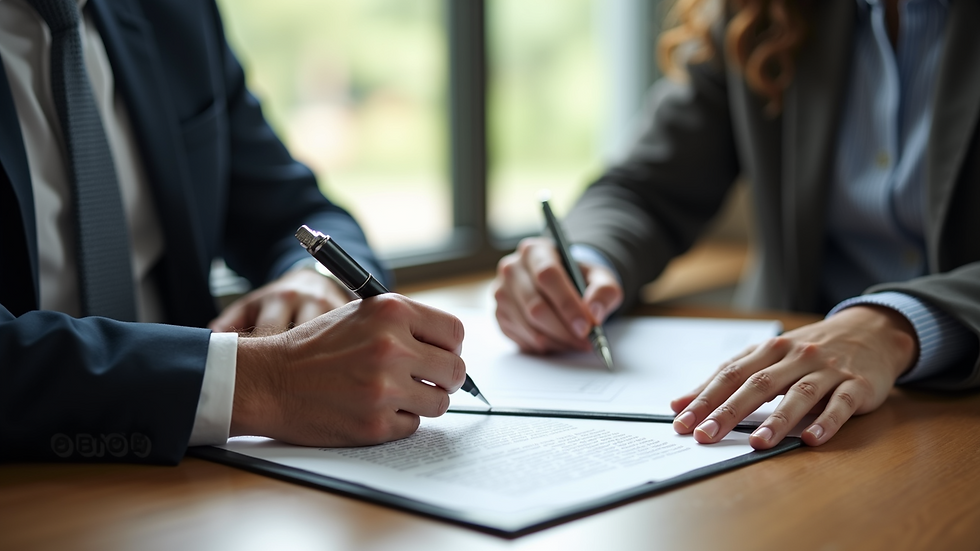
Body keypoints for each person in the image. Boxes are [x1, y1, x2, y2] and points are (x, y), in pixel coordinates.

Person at [492, 0, 980, 450]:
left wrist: (896, 326)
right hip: (784, 415)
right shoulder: (761, 11)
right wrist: (582, 261)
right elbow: (644, 187)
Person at [0, 0, 466, 464]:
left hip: (206, 473)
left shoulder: (176, 13)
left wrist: (311, 277)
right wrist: (262, 382)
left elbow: (296, 208)